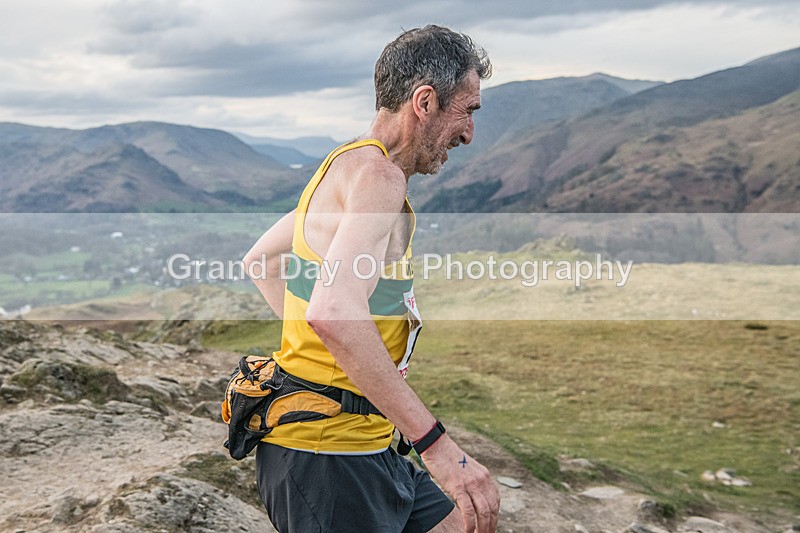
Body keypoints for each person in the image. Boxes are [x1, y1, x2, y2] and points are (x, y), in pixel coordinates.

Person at [243, 25, 499, 533]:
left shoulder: (344, 168)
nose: (469, 134)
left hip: (365, 444)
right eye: (467, 111)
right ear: (424, 101)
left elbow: (261, 263)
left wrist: (339, 361)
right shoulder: (378, 178)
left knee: (465, 523)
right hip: (324, 458)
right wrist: (438, 448)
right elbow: (333, 313)